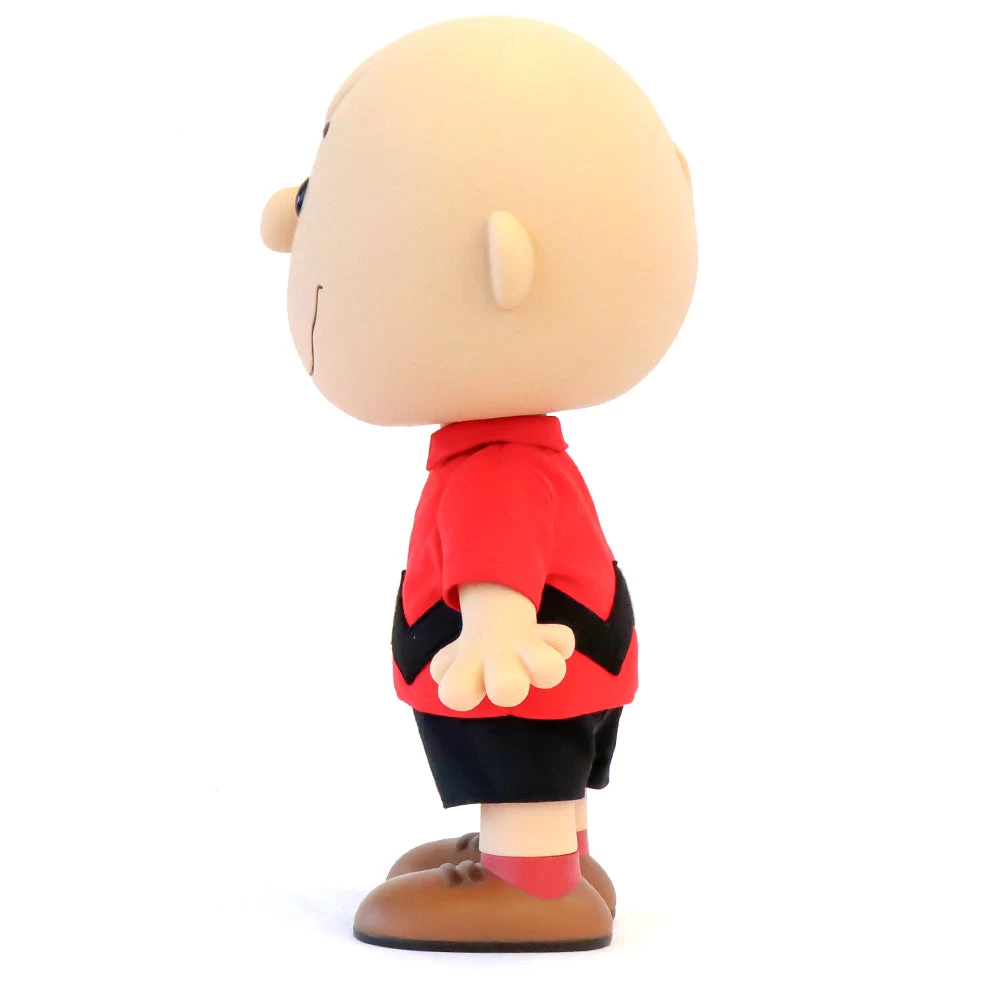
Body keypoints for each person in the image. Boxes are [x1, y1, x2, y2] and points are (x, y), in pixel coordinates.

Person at [260, 14, 697, 951]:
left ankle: (533, 884)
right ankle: (555, 855)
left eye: (320, 207)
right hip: (566, 657)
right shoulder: (517, 452)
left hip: (523, 672)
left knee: (522, 754)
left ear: (506, 267)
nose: (281, 227)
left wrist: (494, 636)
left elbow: (496, 562)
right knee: (540, 761)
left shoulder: (495, 468)